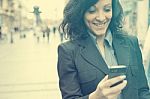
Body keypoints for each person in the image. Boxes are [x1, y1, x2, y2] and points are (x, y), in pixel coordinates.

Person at [57, 0, 150, 99]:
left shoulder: (131, 43)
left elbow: (143, 91)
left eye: (107, 9)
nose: (101, 18)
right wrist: (96, 97)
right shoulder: (68, 51)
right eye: (92, 11)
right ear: (80, 12)